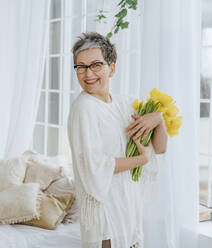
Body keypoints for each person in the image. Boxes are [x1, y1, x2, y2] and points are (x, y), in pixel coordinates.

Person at [67, 32, 168, 248]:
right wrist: (141, 159)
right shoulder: (83, 108)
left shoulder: (125, 105)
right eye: (81, 66)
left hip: (128, 205)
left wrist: (158, 120)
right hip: (104, 211)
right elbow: (95, 166)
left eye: (95, 65)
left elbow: (159, 149)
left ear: (111, 68)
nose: (87, 73)